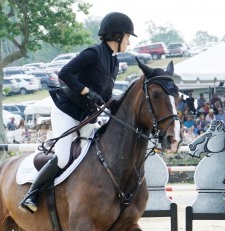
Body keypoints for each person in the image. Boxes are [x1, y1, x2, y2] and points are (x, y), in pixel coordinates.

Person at [19, 11, 137, 213]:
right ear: (117, 36)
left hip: (87, 117)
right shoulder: (93, 53)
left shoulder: (114, 62)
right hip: (66, 112)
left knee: (93, 155)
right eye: (127, 37)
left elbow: (104, 92)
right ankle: (32, 195)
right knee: (64, 158)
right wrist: (86, 91)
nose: (128, 42)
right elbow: (64, 73)